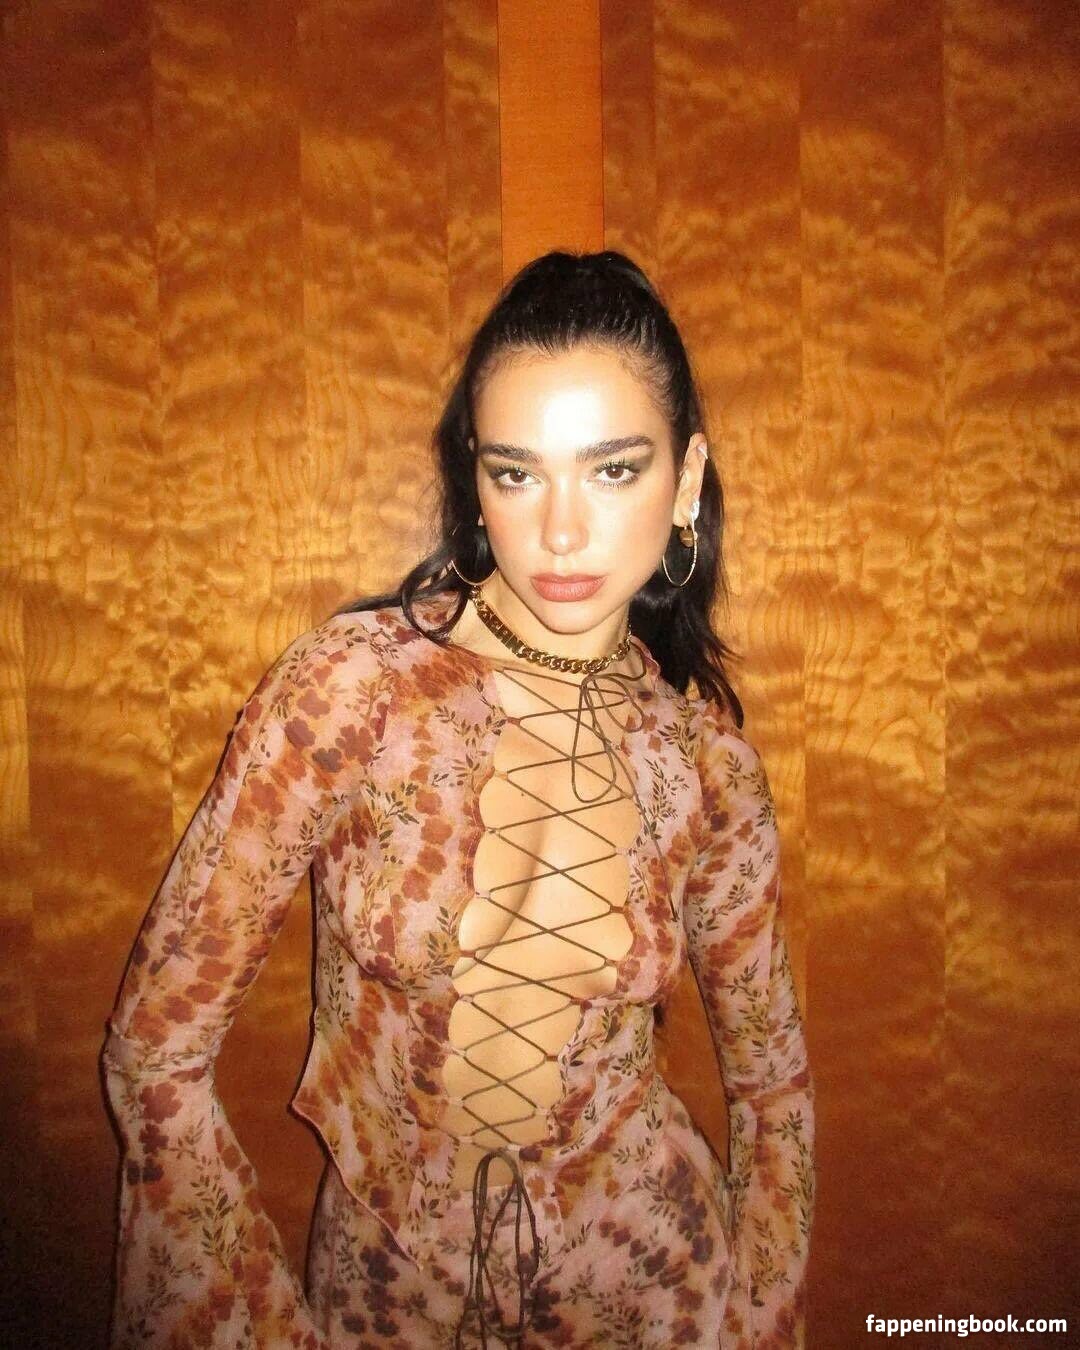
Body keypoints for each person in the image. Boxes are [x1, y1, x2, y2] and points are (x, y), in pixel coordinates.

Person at [102, 250, 815, 1348]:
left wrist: (758, 1321)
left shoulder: (708, 771)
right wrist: (250, 1324)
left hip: (657, 1287)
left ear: (686, 480)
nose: (562, 531)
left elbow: (772, 1089)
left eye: (614, 470)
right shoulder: (353, 691)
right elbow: (155, 1050)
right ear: (476, 481)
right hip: (386, 1297)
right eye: (517, 473)